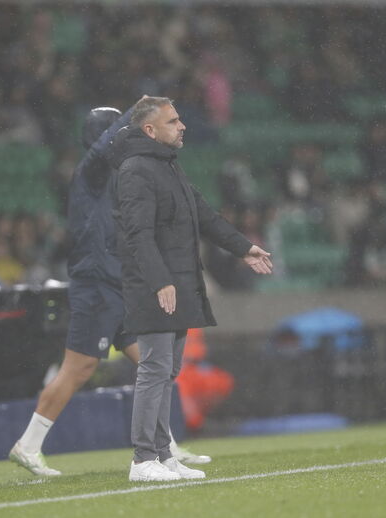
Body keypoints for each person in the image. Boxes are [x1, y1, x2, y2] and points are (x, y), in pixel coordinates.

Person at [8, 105, 210, 477]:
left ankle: (165, 449)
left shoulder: (120, 177)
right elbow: (105, 149)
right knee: (79, 367)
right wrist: (138, 113)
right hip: (97, 285)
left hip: (119, 285)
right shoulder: (93, 171)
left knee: (157, 365)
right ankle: (28, 445)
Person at [112, 96, 273, 482]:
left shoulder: (167, 166)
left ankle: (163, 454)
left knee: (168, 371)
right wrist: (159, 280)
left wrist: (243, 248)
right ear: (149, 130)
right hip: (157, 286)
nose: (182, 126)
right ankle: (142, 459)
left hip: (180, 283)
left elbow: (205, 216)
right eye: (173, 121)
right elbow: (138, 234)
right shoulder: (136, 170)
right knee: (153, 369)